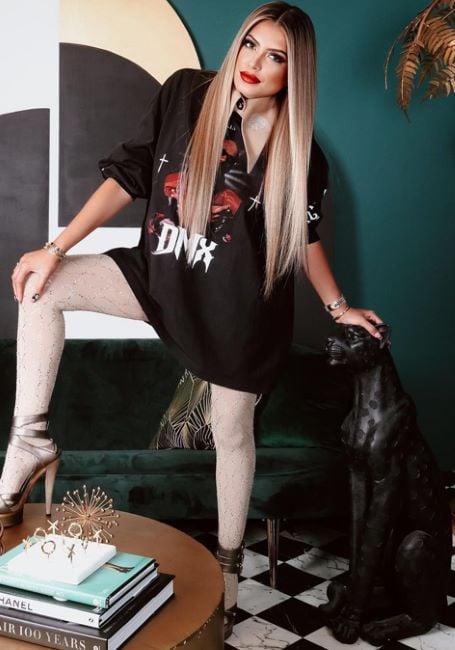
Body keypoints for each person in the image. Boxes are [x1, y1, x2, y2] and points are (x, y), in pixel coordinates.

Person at [4, 1, 382, 639]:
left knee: (232, 434)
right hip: (161, 277)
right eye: (251, 45)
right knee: (42, 288)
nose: (255, 63)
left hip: (237, 312)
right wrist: (55, 247)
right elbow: (127, 178)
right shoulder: (185, 93)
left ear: (294, 73)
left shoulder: (300, 152)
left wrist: (340, 307)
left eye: (276, 56)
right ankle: (30, 438)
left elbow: (305, 238)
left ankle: (231, 567)